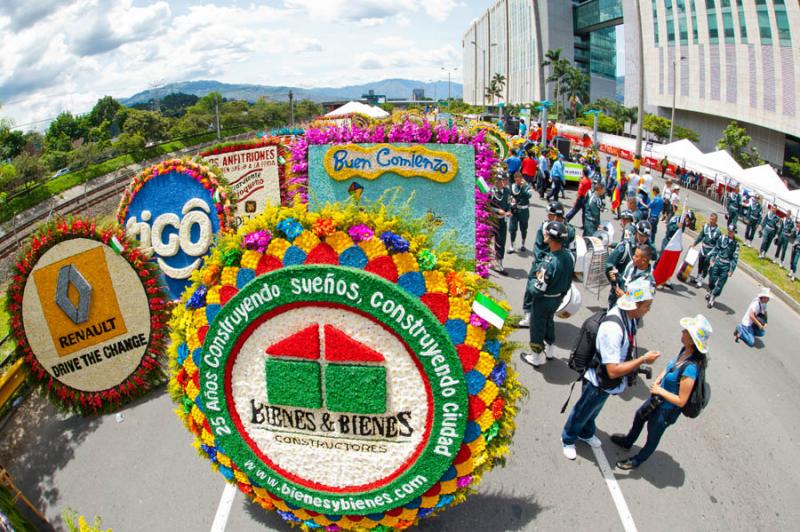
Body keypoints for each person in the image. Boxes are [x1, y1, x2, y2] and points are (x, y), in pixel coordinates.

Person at [561, 279, 661, 460]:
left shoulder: (629, 317)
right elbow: (613, 371)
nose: (649, 310)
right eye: (648, 305)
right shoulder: (613, 328)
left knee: (594, 410)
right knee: (582, 411)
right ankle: (568, 438)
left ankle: (586, 432)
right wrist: (643, 359)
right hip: (598, 381)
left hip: (607, 384)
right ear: (636, 305)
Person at [613, 314, 711, 470]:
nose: (682, 331)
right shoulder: (684, 351)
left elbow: (681, 400)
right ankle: (628, 441)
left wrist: (660, 390)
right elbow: (670, 367)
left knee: (653, 436)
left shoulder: (691, 368)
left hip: (665, 410)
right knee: (639, 416)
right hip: (657, 399)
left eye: (686, 331)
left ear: (692, 340)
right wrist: (659, 378)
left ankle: (637, 460)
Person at [519, 221, 575, 367]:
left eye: (547, 233)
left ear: (551, 238)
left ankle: (535, 356)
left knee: (537, 326)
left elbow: (536, 289)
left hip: (543, 300)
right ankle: (550, 349)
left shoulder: (549, 262)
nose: (544, 234)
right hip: (557, 299)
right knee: (549, 322)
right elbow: (569, 281)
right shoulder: (568, 256)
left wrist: (531, 279)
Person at [519, 202, 575, 327]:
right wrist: (541, 267)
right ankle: (528, 314)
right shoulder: (544, 227)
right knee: (532, 287)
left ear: (556, 216)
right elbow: (538, 249)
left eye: (550, 214)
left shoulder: (570, 230)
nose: (548, 217)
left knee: (556, 291)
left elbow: (572, 249)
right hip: (542, 264)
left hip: (560, 264)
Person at [607, 243, 655, 309]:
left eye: (636, 256)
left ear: (643, 261)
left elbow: (641, 301)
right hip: (617, 305)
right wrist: (616, 279)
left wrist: (624, 296)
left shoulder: (649, 281)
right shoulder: (631, 265)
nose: (633, 257)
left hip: (630, 313)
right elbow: (624, 281)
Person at [706, 224, 739, 309]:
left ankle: (713, 298)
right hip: (718, 262)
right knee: (712, 279)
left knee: (721, 284)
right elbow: (716, 248)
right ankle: (711, 290)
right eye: (729, 231)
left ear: (734, 232)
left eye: (731, 231)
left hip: (726, 265)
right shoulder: (722, 238)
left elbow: (735, 258)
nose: (729, 232)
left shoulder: (736, 244)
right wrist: (712, 259)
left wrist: (731, 270)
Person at [489, 174, 512, 274]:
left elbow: (509, 203)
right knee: (486, 240)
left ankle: (499, 264)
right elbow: (487, 205)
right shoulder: (492, 191)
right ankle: (482, 260)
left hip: (503, 220)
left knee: (501, 242)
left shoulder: (507, 191)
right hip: (492, 220)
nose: (505, 182)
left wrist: (509, 211)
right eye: (503, 180)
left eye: (506, 180)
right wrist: (498, 210)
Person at [693, 213, 721, 289]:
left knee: (706, 266)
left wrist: (715, 255)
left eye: (713, 220)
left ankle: (700, 280)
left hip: (710, 250)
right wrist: (694, 244)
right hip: (703, 248)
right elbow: (700, 236)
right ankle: (697, 277)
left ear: (716, 221)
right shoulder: (705, 227)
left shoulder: (718, 231)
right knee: (700, 263)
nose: (711, 221)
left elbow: (718, 245)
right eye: (711, 219)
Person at [508, 173, 533, 254]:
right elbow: (509, 196)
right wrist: (511, 201)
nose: (518, 181)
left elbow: (528, 196)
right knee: (512, 228)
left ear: (521, 178)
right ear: (515, 179)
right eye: (516, 179)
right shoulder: (512, 186)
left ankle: (523, 244)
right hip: (515, 210)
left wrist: (522, 188)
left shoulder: (527, 186)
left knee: (523, 228)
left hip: (524, 211)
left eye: (519, 179)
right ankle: (512, 246)